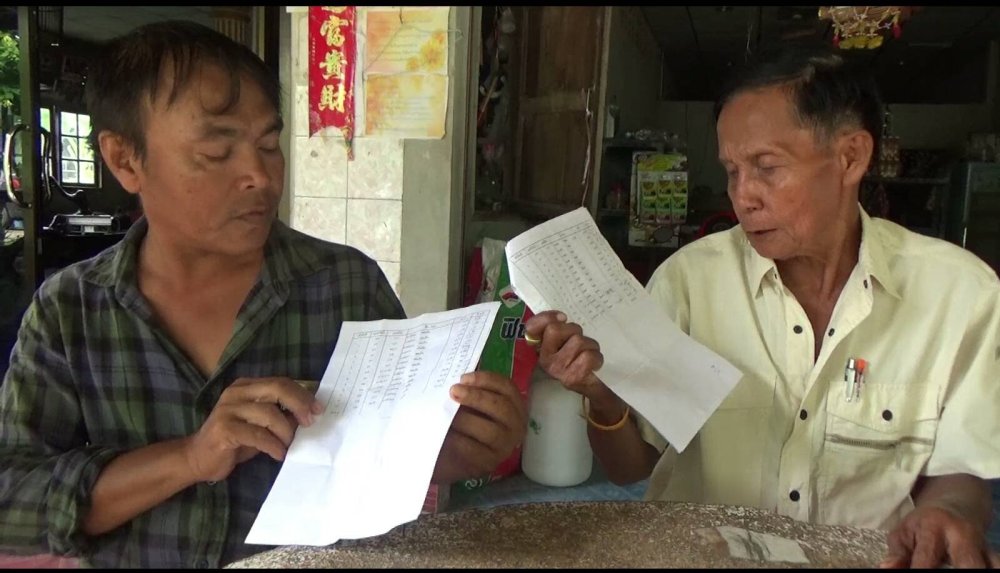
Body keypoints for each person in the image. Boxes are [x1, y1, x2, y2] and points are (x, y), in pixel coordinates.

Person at [0, 21, 526, 568]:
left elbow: (384, 461)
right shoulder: (71, 310)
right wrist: (189, 458)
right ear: (125, 159)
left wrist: (457, 449)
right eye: (216, 150)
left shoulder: (346, 286)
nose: (259, 175)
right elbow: (11, 500)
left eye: (269, 145)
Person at [525, 45, 1000, 568]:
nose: (742, 195)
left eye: (767, 167)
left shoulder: (957, 293)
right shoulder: (690, 282)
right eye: (732, 171)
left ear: (851, 157)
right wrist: (601, 396)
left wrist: (949, 511)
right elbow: (630, 467)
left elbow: (961, 468)